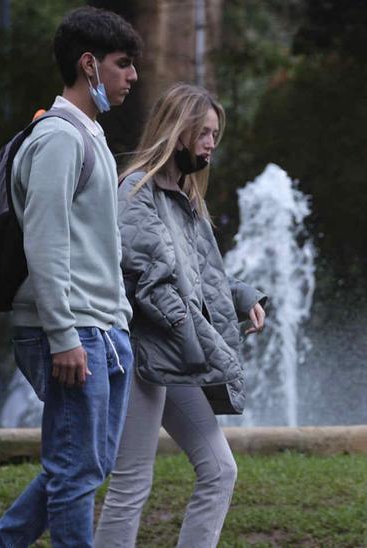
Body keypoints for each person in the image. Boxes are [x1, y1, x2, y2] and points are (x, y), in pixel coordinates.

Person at [0, 7, 142, 547]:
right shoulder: (59, 139)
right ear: (89, 65)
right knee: (75, 473)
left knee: (87, 466)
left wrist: (120, 317)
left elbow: (96, 243)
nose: (132, 76)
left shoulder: (89, 138)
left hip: (104, 325)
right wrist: (63, 334)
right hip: (72, 330)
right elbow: (44, 243)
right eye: (122, 64)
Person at [95, 84, 267, 548]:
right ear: (180, 131)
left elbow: (199, 279)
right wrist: (199, 339)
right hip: (141, 353)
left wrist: (242, 295)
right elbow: (152, 281)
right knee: (132, 481)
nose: (212, 143)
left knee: (219, 469)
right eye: (205, 133)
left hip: (175, 351)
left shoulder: (186, 197)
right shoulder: (136, 189)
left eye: (215, 134)